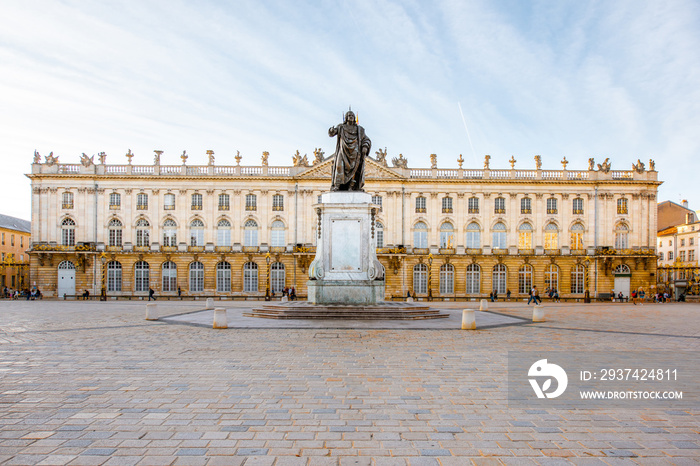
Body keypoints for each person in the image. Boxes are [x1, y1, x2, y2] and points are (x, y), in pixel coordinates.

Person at [329, 109, 371, 191]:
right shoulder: (341, 127)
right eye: (349, 115)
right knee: (338, 166)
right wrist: (331, 131)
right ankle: (337, 185)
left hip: (355, 152)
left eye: (352, 115)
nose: (351, 117)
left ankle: (351, 186)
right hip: (343, 149)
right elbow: (332, 133)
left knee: (354, 168)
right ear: (346, 118)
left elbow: (366, 139)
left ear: (354, 118)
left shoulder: (360, 129)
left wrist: (365, 146)